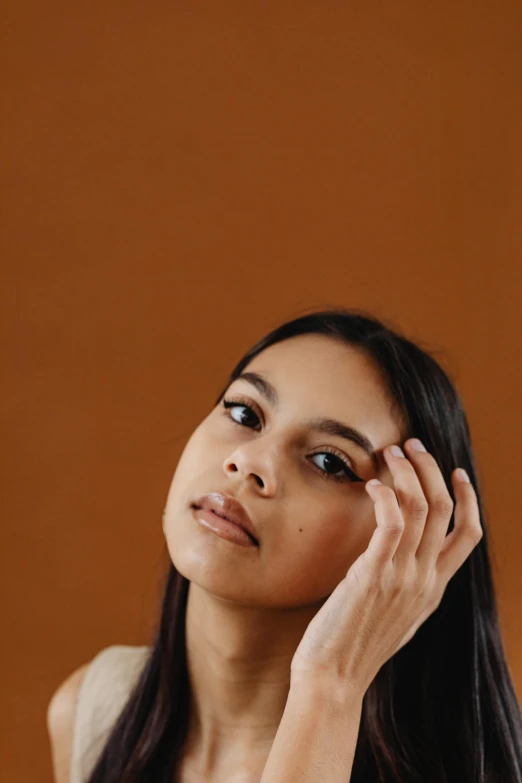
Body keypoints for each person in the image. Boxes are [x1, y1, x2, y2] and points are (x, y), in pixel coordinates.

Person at [47, 308, 522, 783]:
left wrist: (329, 686)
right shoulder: (96, 710)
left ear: (410, 543)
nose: (250, 462)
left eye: (329, 462)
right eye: (244, 413)